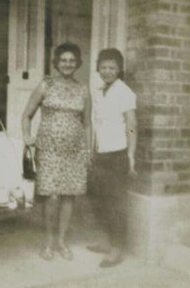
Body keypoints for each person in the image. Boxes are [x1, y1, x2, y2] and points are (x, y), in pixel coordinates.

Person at [21, 42, 92, 261]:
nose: (68, 64)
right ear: (56, 63)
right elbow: (27, 115)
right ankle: (49, 241)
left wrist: (88, 150)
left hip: (75, 151)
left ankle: (62, 241)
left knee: (68, 196)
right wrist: (27, 137)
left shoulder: (83, 90)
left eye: (72, 61)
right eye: (63, 60)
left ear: (77, 64)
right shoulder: (46, 85)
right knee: (51, 197)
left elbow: (87, 123)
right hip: (49, 149)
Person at [88, 48, 137, 268]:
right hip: (100, 154)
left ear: (119, 70)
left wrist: (131, 155)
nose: (107, 71)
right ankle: (107, 242)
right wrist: (92, 151)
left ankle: (117, 249)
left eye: (112, 67)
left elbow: (132, 125)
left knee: (116, 203)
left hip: (117, 155)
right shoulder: (99, 91)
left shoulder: (124, 92)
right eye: (104, 67)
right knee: (101, 201)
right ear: (98, 68)